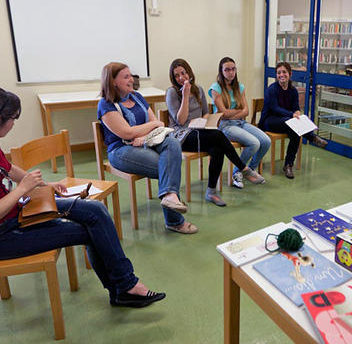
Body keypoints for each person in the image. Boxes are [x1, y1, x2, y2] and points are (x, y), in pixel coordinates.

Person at [0, 85, 165, 308]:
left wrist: (45, 185)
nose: (13, 124)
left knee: (95, 211)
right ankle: (125, 288)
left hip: (13, 214)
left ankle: (125, 287)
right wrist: (22, 189)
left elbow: (9, 169)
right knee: (93, 231)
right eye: (12, 118)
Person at [98, 62, 198, 234]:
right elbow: (127, 133)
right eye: (126, 77)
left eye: (131, 75)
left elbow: (157, 125)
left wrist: (144, 136)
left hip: (145, 142)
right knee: (166, 165)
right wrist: (151, 126)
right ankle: (174, 219)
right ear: (113, 82)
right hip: (120, 151)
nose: (132, 80)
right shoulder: (106, 104)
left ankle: (170, 198)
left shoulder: (137, 97)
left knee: (173, 143)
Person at [166, 59, 266, 206]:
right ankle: (244, 169)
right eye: (177, 75)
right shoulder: (172, 92)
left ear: (189, 73)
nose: (181, 77)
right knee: (219, 135)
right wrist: (185, 96)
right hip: (181, 136)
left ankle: (211, 192)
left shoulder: (198, 89)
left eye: (183, 73)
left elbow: (206, 113)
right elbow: (180, 121)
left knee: (217, 148)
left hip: (198, 130)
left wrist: (204, 122)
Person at [259, 62, 328, 179]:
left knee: (295, 131)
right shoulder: (272, 89)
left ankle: (288, 165)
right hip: (269, 121)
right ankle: (312, 137)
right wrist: (292, 115)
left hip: (286, 122)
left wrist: (297, 112)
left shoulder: (293, 91)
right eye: (279, 73)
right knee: (292, 124)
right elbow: (275, 108)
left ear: (290, 74)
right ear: (276, 75)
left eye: (284, 72)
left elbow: (295, 107)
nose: (281, 75)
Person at [209, 57, 270, 188]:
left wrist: (232, 113)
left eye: (233, 69)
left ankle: (249, 170)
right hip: (224, 125)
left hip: (241, 122)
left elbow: (246, 111)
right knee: (254, 143)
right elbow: (223, 114)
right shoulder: (215, 88)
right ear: (221, 71)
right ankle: (237, 172)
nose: (231, 72)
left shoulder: (239, 87)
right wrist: (237, 111)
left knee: (266, 141)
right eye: (227, 70)